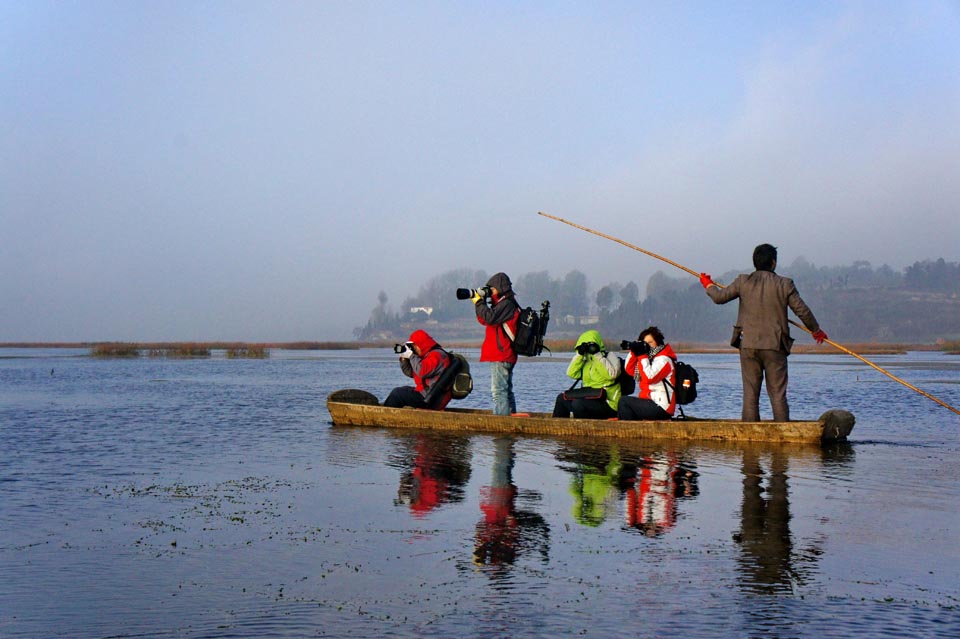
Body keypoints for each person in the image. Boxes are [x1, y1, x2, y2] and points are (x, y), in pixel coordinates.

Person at [699, 243, 828, 422]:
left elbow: (719, 297)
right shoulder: (785, 284)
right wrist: (816, 330)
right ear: (773, 263)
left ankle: (751, 440)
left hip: (749, 344)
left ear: (755, 262)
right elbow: (802, 311)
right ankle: (782, 434)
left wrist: (708, 285)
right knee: (778, 394)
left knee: (750, 395)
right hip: (775, 346)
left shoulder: (743, 281)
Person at [473, 272, 521, 415]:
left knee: (499, 391)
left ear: (499, 288)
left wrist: (479, 302)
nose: (490, 292)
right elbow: (485, 319)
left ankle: (502, 422)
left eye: (492, 289)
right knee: (505, 390)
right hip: (503, 353)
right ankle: (510, 416)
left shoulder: (507, 304)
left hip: (502, 354)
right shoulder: (504, 303)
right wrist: (479, 303)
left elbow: (489, 317)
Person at [552, 329, 621, 419]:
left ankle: (582, 428)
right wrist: (579, 355)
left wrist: (597, 355)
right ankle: (559, 427)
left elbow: (612, 374)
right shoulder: (586, 361)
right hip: (589, 396)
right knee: (561, 398)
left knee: (578, 404)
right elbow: (571, 373)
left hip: (608, 402)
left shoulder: (610, 357)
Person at [383, 329, 454, 410]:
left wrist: (412, 356)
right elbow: (411, 373)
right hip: (427, 395)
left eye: (413, 347)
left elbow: (422, 371)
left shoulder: (437, 355)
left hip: (433, 399)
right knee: (402, 390)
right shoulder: (427, 356)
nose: (413, 350)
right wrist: (404, 359)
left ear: (420, 344)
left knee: (397, 394)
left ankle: (385, 416)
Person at [618, 326, 677, 421]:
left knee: (624, 401)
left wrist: (641, 355)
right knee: (625, 403)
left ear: (658, 343)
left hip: (662, 406)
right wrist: (634, 351)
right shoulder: (648, 358)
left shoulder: (664, 360)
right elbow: (629, 369)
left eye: (650, 342)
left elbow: (649, 378)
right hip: (649, 401)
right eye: (645, 343)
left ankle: (629, 431)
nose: (647, 345)